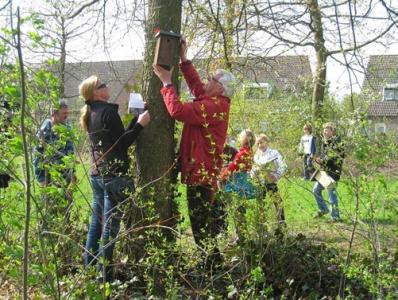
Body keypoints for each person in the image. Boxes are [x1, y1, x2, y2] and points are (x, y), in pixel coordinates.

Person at [153, 38, 236, 256]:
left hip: (201, 172)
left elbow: (178, 111)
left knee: (200, 222)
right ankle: (210, 262)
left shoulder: (213, 106)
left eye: (211, 80)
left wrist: (166, 82)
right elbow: (199, 88)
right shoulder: (215, 101)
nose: (207, 82)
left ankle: (211, 264)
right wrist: (184, 59)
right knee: (202, 220)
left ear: (220, 88)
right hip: (203, 169)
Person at [79, 76, 150, 282]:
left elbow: (116, 139)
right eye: (102, 85)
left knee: (97, 225)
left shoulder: (91, 112)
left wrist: (136, 119)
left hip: (97, 175)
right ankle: (105, 280)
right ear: (95, 93)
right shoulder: (108, 111)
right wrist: (141, 125)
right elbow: (122, 144)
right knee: (109, 230)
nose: (106, 86)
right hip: (114, 177)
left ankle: (90, 272)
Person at [33, 101, 76, 225]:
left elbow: (70, 154)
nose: (66, 116)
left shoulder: (67, 128)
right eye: (63, 113)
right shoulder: (45, 129)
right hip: (50, 177)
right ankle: (47, 235)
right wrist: (41, 179)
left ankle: (65, 235)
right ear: (54, 114)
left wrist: (72, 174)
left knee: (66, 207)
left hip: (65, 176)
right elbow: (37, 155)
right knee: (49, 208)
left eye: (67, 113)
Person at [251, 134, 287, 226]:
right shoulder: (256, 155)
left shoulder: (274, 153)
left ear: (267, 142)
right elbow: (253, 169)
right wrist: (255, 173)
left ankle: (281, 223)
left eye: (262, 142)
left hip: (270, 181)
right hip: (260, 182)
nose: (260, 145)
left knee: (278, 202)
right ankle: (262, 225)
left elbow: (283, 166)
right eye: (258, 143)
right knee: (260, 203)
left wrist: (277, 176)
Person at [313, 122, 344, 222]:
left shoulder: (338, 143)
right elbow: (324, 155)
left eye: (327, 129)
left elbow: (337, 157)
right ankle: (323, 209)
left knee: (331, 193)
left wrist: (324, 160)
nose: (324, 131)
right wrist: (319, 159)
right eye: (324, 129)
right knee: (316, 190)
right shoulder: (324, 142)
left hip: (333, 172)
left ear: (332, 131)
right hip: (325, 172)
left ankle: (335, 217)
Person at [220, 129, 256, 199]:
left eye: (240, 137)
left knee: (229, 198)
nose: (239, 139)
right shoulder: (249, 152)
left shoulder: (242, 153)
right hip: (244, 179)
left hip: (238, 181)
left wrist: (222, 177)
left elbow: (232, 167)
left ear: (244, 140)